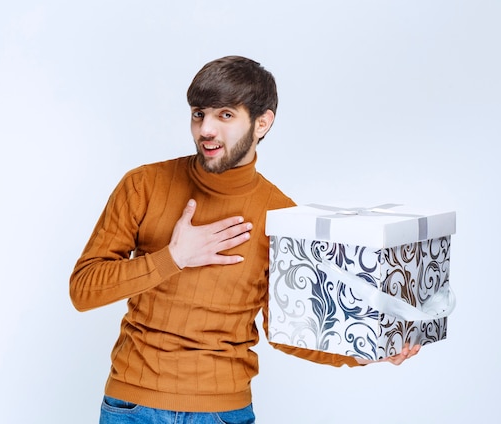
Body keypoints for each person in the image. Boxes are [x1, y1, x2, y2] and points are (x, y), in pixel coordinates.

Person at [70, 55, 419, 424]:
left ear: (262, 123)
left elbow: (286, 330)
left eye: (225, 115)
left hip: (223, 412)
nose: (206, 129)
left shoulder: (281, 215)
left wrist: (365, 351)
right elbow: (83, 291)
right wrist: (172, 257)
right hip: (132, 406)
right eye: (198, 113)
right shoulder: (142, 185)